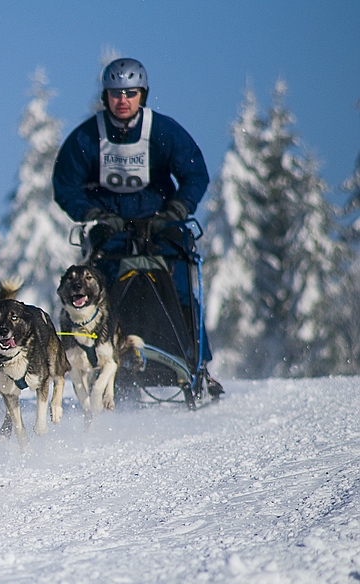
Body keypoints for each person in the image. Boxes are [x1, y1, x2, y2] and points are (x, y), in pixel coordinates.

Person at [52, 57, 222, 397]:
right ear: (106, 97)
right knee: (99, 294)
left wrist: (178, 208)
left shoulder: (162, 131)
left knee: (180, 288)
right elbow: (65, 184)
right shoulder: (88, 136)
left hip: (160, 226)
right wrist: (91, 213)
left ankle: (196, 362)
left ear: (142, 94)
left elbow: (194, 173)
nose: (123, 100)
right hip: (110, 230)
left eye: (130, 93)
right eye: (115, 93)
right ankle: (106, 363)